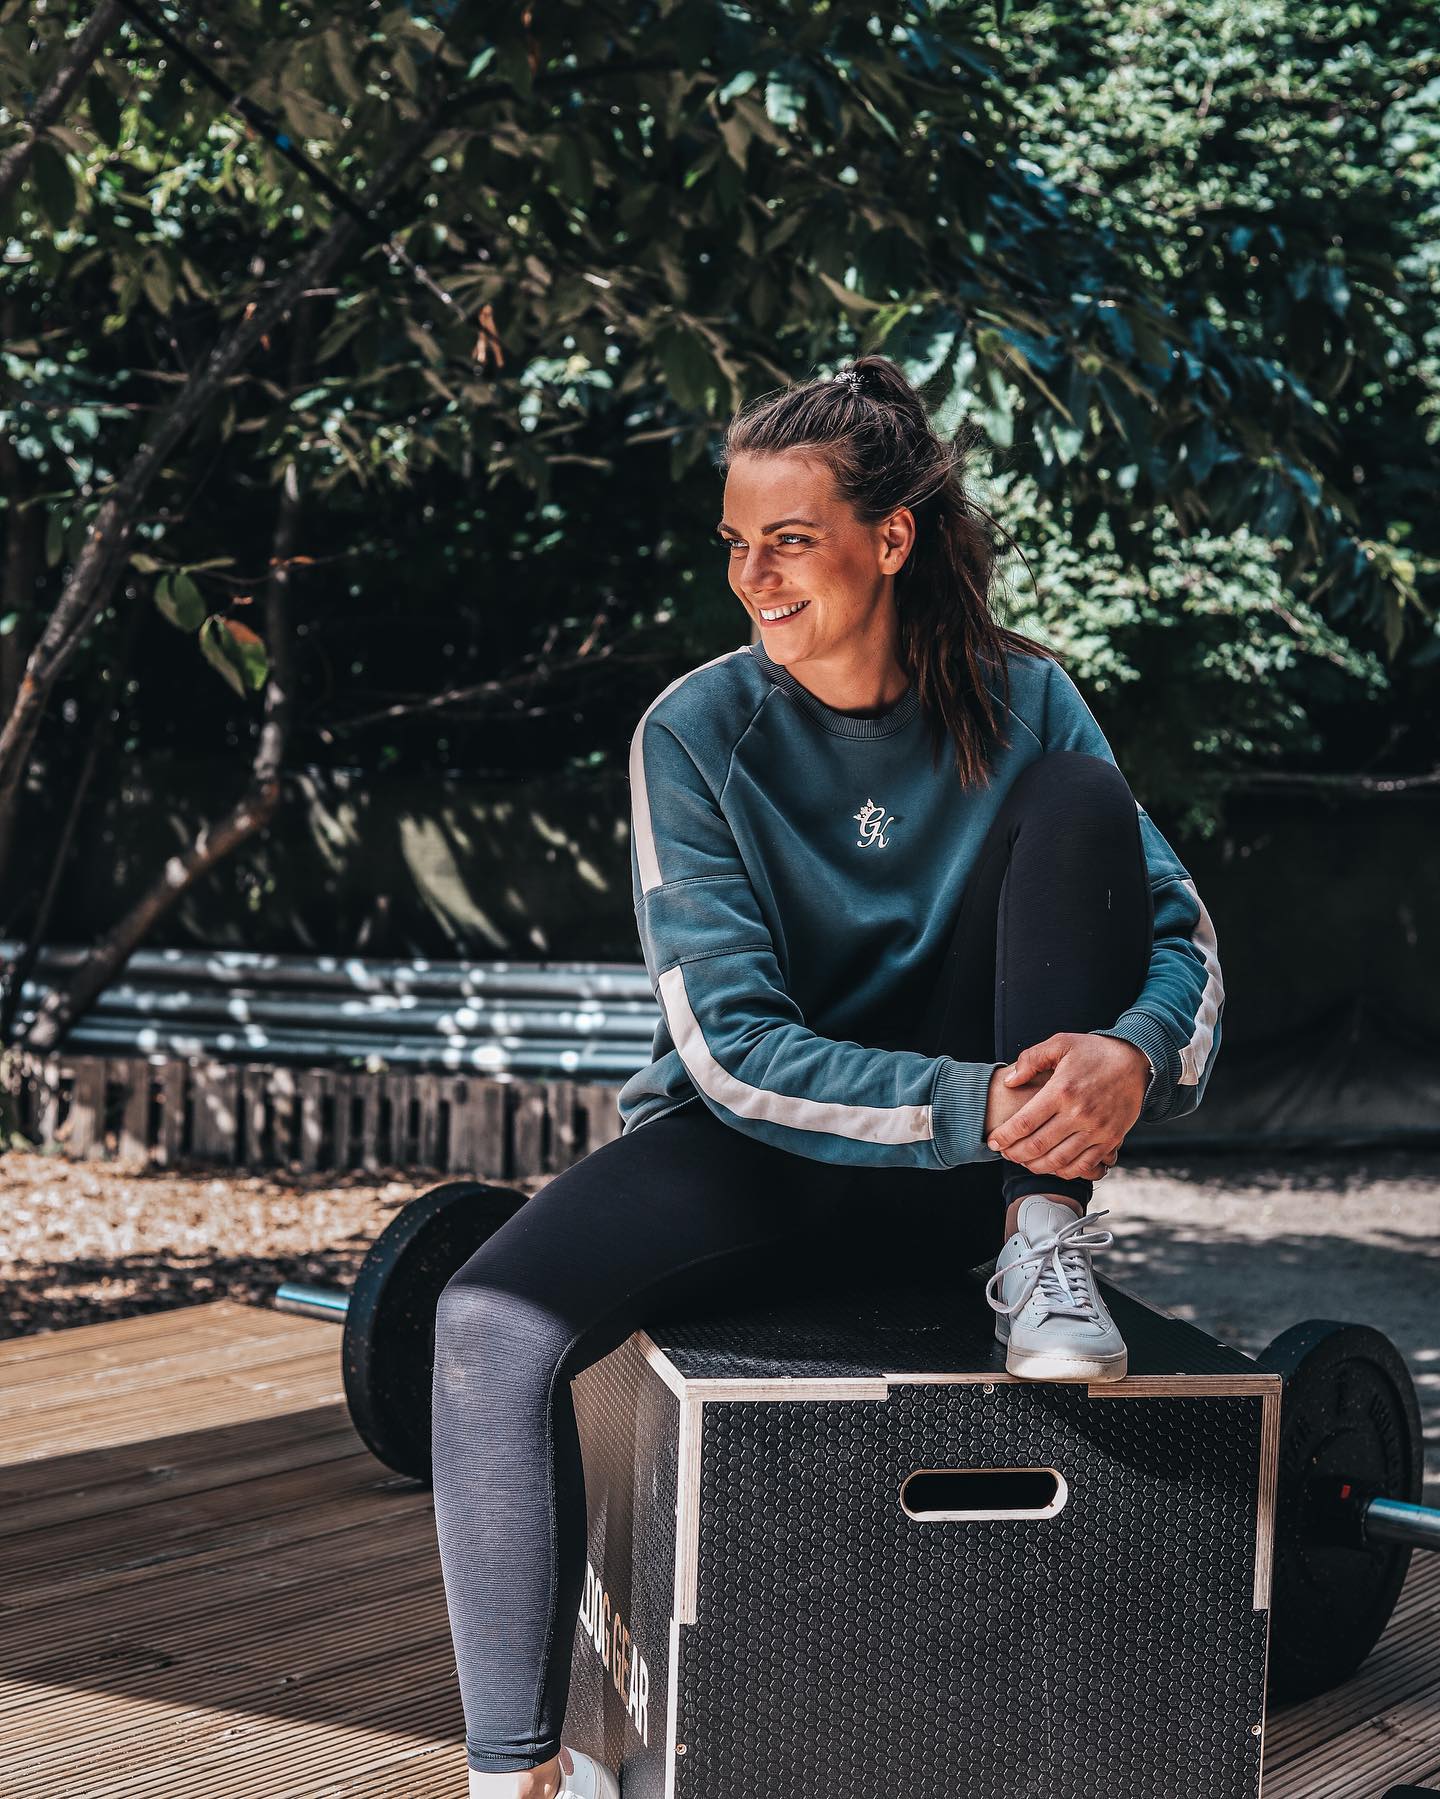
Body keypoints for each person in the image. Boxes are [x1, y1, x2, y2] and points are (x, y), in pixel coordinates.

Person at [430, 356, 1225, 1798]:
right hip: (759, 1158)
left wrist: (1132, 1052)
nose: (754, 577)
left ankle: (1044, 1249)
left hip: (986, 1181)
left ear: (891, 539)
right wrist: (965, 1102)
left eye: (788, 540)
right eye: (736, 543)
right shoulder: (693, 732)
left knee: (1083, 799)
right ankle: (518, 1779)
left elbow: (1181, 938)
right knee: (486, 1322)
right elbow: (729, 1047)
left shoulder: (1029, 700)